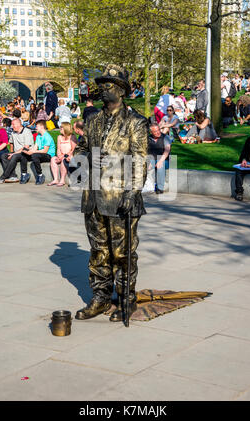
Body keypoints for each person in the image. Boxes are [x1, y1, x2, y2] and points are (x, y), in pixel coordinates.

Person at [74, 64, 148, 322]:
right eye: (101, 86)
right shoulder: (92, 118)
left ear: (120, 90)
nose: (101, 91)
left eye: (106, 86)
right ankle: (100, 297)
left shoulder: (135, 122)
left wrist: (132, 192)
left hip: (120, 196)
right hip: (93, 195)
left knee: (122, 252)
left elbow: (139, 160)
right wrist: (81, 160)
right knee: (98, 250)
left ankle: (126, 298)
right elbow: (81, 147)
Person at [0, 118, 35, 184]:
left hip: (26, 153)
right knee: (3, 156)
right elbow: (11, 143)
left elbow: (26, 147)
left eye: (13, 124)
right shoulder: (13, 132)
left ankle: (3, 176)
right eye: (12, 124)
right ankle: (13, 176)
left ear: (19, 124)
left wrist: (13, 154)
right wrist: (11, 152)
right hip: (16, 153)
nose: (12, 126)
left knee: (14, 156)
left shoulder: (27, 131)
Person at [24, 120, 56, 185]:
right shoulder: (38, 136)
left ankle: (40, 175)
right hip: (40, 154)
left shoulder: (47, 136)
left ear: (42, 127)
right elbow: (35, 147)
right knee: (23, 154)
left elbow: (45, 151)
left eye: (37, 126)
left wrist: (33, 152)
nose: (35, 127)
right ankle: (24, 174)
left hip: (48, 155)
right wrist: (28, 150)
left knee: (34, 155)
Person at [48, 122, 77, 187]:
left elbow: (73, 149)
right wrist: (59, 156)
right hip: (61, 155)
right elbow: (58, 148)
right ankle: (55, 179)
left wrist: (65, 156)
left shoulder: (72, 137)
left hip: (69, 155)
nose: (60, 128)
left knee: (64, 159)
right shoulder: (59, 137)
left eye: (61, 127)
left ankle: (62, 180)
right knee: (53, 159)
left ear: (65, 128)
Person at [148, 123, 171, 193]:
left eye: (158, 130)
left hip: (164, 159)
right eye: (155, 131)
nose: (158, 132)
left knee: (161, 165)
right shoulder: (148, 139)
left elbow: (167, 150)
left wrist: (160, 161)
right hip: (152, 159)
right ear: (151, 132)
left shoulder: (165, 137)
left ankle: (160, 188)